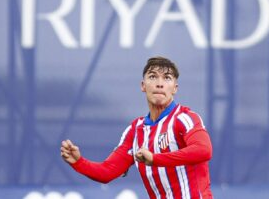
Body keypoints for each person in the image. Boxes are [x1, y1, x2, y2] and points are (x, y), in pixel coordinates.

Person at [61, 56, 213, 198]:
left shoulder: (185, 118)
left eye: (167, 78)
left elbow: (203, 150)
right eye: (153, 76)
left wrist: (155, 159)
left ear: (175, 88)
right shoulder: (135, 131)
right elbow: (107, 172)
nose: (159, 83)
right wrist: (78, 162)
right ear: (143, 86)